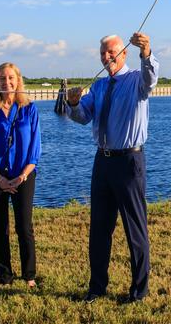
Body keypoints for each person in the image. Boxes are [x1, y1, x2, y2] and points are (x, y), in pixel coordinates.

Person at [65, 32, 158, 303]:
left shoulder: (136, 81)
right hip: (102, 162)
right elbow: (83, 117)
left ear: (124, 53)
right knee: (99, 229)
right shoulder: (100, 87)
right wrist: (72, 104)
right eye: (103, 53)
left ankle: (139, 291)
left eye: (111, 52)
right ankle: (96, 288)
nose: (107, 57)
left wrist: (147, 52)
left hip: (129, 162)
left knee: (135, 229)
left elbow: (151, 79)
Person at [0, 62, 40, 287]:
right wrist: (0, 180)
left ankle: (29, 276)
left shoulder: (29, 109)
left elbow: (35, 151)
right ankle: (5, 276)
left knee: (24, 227)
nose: (7, 82)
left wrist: (22, 176)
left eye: (11, 78)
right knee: (0, 227)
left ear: (18, 80)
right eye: (2, 78)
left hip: (24, 176)